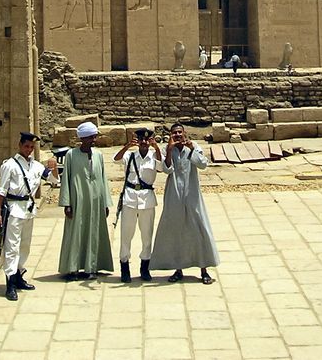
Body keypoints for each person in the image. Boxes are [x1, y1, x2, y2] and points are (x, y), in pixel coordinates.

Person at [150, 123, 219, 285]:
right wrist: (168, 149)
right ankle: (178, 268)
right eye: (175, 133)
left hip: (192, 194)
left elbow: (202, 164)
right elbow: (166, 170)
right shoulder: (169, 149)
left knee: (199, 228)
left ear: (185, 133)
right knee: (176, 230)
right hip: (174, 194)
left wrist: (191, 148)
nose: (178, 135)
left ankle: (204, 269)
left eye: (180, 132)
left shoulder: (194, 147)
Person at [0, 132, 58, 301]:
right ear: (20, 145)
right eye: (26, 146)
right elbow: (1, 190)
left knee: (25, 245)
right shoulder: (9, 165)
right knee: (12, 246)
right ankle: (10, 284)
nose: (29, 150)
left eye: (31, 147)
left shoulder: (36, 166)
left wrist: (54, 167)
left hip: (28, 210)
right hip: (14, 209)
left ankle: (18, 275)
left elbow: (53, 179)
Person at [58, 122, 114, 278]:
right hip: (78, 199)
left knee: (93, 231)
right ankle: (73, 268)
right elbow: (66, 180)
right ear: (82, 138)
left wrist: (105, 203)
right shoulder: (71, 155)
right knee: (75, 232)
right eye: (90, 137)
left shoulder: (99, 155)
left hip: (95, 200)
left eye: (94, 136)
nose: (93, 140)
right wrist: (67, 203)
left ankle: (91, 267)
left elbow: (103, 179)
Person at [113, 128, 163, 283]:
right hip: (130, 197)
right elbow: (116, 159)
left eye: (147, 140)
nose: (143, 143)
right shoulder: (130, 155)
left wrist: (157, 148)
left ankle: (145, 267)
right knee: (126, 234)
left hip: (147, 198)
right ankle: (124, 266)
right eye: (141, 140)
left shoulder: (153, 156)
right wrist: (127, 146)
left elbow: (161, 167)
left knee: (147, 235)